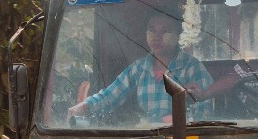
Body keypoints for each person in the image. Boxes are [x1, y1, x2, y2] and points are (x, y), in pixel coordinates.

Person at [69, 12, 214, 125]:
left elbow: (205, 109)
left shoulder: (193, 67)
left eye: (165, 31)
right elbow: (110, 95)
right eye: (152, 30)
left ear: (177, 36)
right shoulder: (138, 68)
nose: (156, 36)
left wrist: (179, 120)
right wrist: (85, 106)